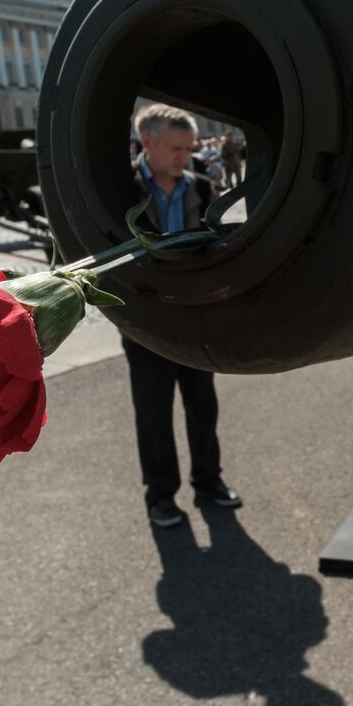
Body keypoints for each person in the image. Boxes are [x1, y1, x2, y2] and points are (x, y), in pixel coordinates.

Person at [124, 103, 241, 527]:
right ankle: (160, 495)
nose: (184, 157)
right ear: (147, 143)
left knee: (202, 406)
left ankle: (209, 481)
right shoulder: (121, 190)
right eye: (175, 148)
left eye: (188, 148)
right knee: (153, 414)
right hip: (145, 321)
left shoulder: (202, 188)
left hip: (193, 320)